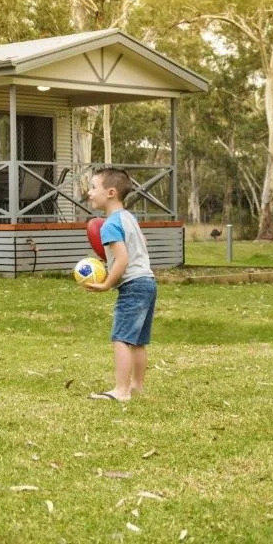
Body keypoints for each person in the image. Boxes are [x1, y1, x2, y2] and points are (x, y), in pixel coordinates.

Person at [82, 167, 157, 402]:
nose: (89, 192)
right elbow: (142, 243)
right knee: (138, 341)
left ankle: (122, 391)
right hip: (148, 281)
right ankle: (137, 386)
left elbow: (122, 260)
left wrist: (106, 283)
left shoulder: (109, 225)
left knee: (121, 338)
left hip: (133, 285)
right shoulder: (129, 218)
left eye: (94, 187)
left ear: (111, 193)